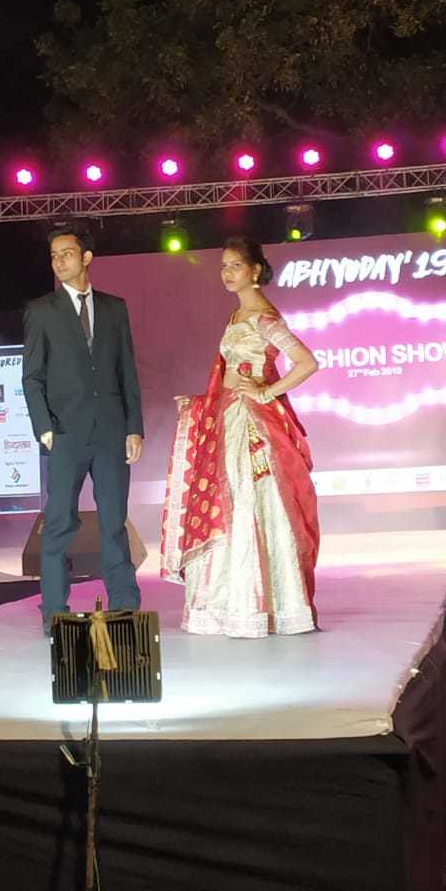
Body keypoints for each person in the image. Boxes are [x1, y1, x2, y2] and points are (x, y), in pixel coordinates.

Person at [160, 236, 321, 637]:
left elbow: (307, 362)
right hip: (229, 414)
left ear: (255, 270)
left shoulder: (264, 318)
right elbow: (230, 373)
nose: (227, 273)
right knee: (228, 502)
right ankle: (227, 603)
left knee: (246, 504)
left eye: (235, 266)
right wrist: (202, 403)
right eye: (223, 266)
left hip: (250, 424)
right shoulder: (237, 315)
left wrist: (266, 392)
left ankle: (258, 605)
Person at [23, 225, 144, 635]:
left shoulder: (114, 308)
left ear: (86, 258)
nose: (59, 262)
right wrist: (44, 428)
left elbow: (127, 371)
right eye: (54, 256)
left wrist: (134, 427)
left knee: (113, 522)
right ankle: (54, 613)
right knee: (59, 525)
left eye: (67, 254)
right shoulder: (42, 311)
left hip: (111, 431)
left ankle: (124, 608)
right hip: (65, 434)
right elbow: (32, 377)